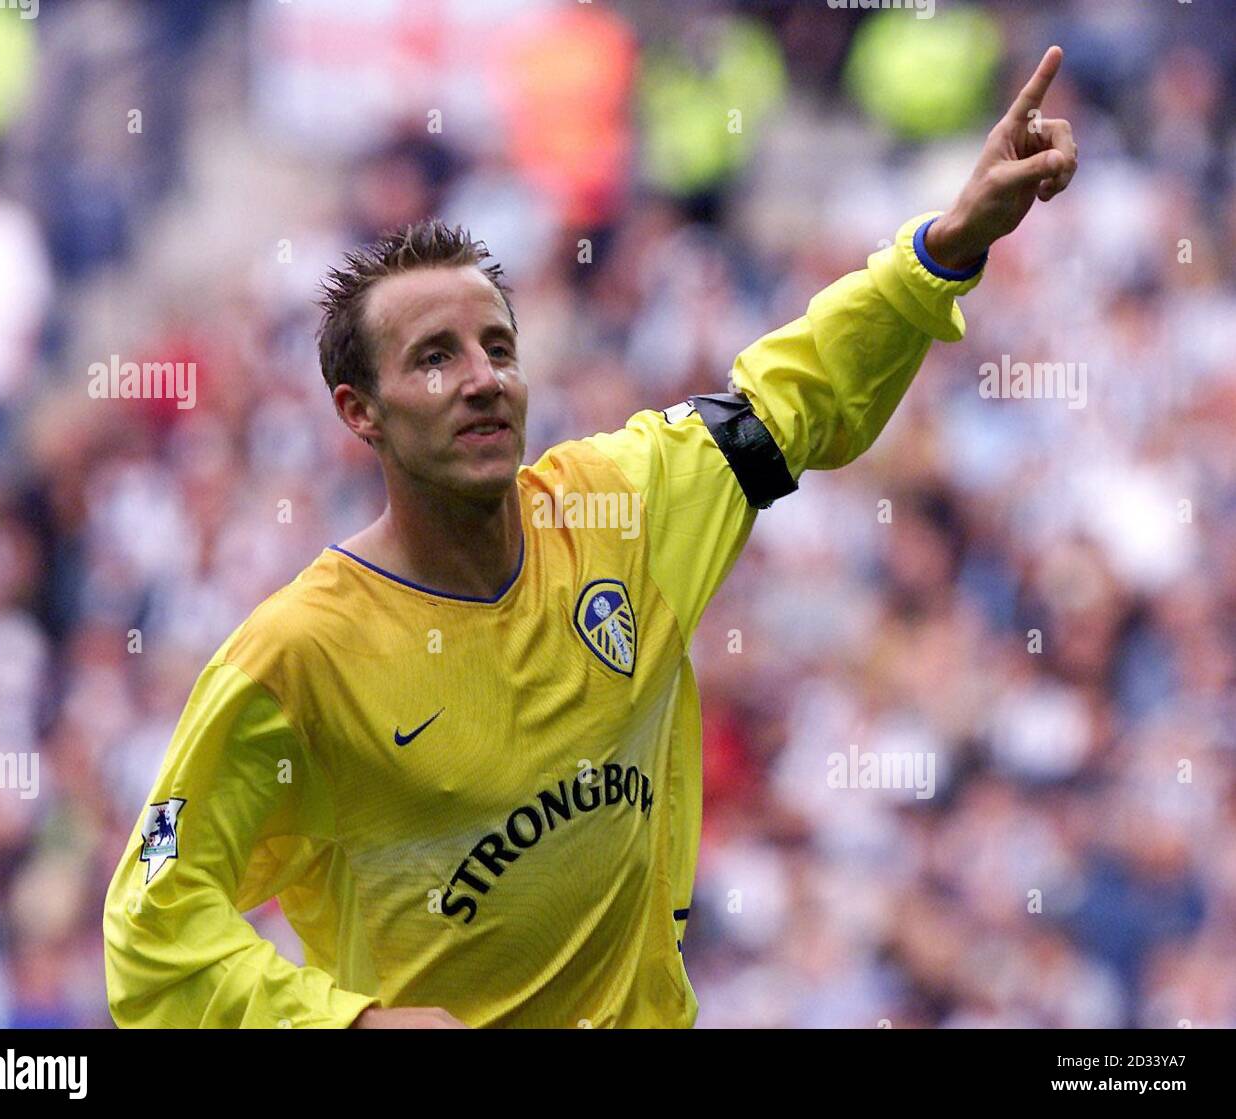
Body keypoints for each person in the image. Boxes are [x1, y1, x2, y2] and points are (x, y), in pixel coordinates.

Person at [103, 48, 1078, 1028]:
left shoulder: (622, 507)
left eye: (497, 347)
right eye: (434, 359)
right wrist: (347, 1023)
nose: (483, 378)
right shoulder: (297, 659)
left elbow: (798, 397)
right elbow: (152, 929)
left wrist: (945, 248)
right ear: (360, 412)